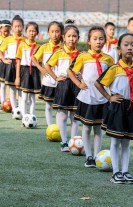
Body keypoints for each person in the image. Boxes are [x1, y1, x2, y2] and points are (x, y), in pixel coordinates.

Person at [95, 33, 133, 184]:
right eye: (126, 45)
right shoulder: (114, 69)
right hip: (117, 107)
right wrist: (109, 97)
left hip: (132, 107)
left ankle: (125, 171)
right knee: (116, 141)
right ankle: (116, 172)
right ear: (119, 49)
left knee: (127, 142)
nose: (130, 48)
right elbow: (98, 83)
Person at [68, 26, 114, 167]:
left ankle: (97, 155)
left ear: (105, 41)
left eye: (101, 39)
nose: (98, 42)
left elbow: (112, 77)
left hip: (102, 98)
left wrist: (111, 94)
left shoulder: (109, 59)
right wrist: (79, 84)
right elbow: (70, 71)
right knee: (87, 128)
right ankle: (88, 156)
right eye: (95, 39)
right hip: (87, 98)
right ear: (89, 41)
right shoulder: (82, 57)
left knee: (98, 128)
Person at [44, 21, 80, 152]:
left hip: (76, 85)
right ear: (63, 37)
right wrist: (55, 77)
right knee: (62, 114)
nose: (72, 38)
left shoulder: (81, 54)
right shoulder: (59, 53)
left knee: (75, 115)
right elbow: (47, 65)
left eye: (74, 36)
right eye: (69, 36)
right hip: (63, 84)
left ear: (78, 39)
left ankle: (74, 141)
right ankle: (64, 142)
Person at [31, 21, 63, 126]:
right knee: (49, 106)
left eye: (57, 31)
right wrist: (41, 68)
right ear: (48, 33)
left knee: (59, 107)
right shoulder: (44, 47)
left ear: (61, 33)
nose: (55, 34)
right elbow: (33, 58)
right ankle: (50, 127)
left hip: (61, 82)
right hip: (48, 81)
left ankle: (59, 127)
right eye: (52, 31)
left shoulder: (64, 48)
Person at [0, 15, 25, 110]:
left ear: (23, 26)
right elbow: (0, 50)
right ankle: (14, 109)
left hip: (21, 65)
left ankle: (22, 109)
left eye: (20, 26)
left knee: (21, 89)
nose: (18, 28)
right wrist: (4, 59)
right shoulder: (8, 39)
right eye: (16, 26)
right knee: (12, 89)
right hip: (11, 64)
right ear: (12, 28)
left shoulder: (25, 40)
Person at [15, 22, 41, 116]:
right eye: (29, 31)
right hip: (24, 71)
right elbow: (18, 61)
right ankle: (24, 116)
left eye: (34, 31)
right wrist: (17, 77)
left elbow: (40, 62)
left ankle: (32, 116)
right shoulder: (22, 45)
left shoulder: (38, 47)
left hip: (34, 72)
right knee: (24, 97)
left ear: (37, 33)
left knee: (33, 98)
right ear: (26, 32)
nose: (31, 33)